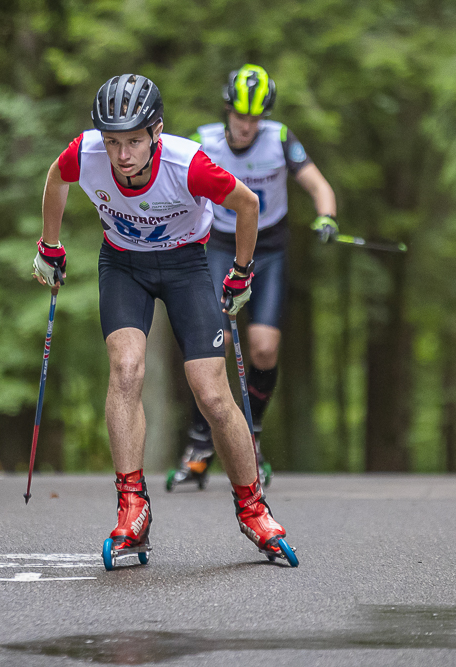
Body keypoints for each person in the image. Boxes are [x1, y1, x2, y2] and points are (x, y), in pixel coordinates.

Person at [32, 73, 293, 561]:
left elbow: (248, 202)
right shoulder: (84, 153)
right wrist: (50, 244)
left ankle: (252, 507)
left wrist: (241, 272)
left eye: (134, 140)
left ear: (157, 131)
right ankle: (132, 506)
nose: (122, 154)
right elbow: (55, 178)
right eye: (113, 142)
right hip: (122, 264)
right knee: (127, 369)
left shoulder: (187, 164)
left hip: (186, 266)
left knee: (212, 394)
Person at [173, 64, 337, 489]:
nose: (246, 126)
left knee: (264, 349)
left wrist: (326, 217)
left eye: (254, 117)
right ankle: (199, 442)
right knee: (216, 341)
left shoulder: (279, 138)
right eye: (239, 116)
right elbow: (171, 183)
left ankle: (252, 435)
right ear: (227, 111)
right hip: (220, 247)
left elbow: (320, 186)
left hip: (268, 251)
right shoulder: (201, 141)